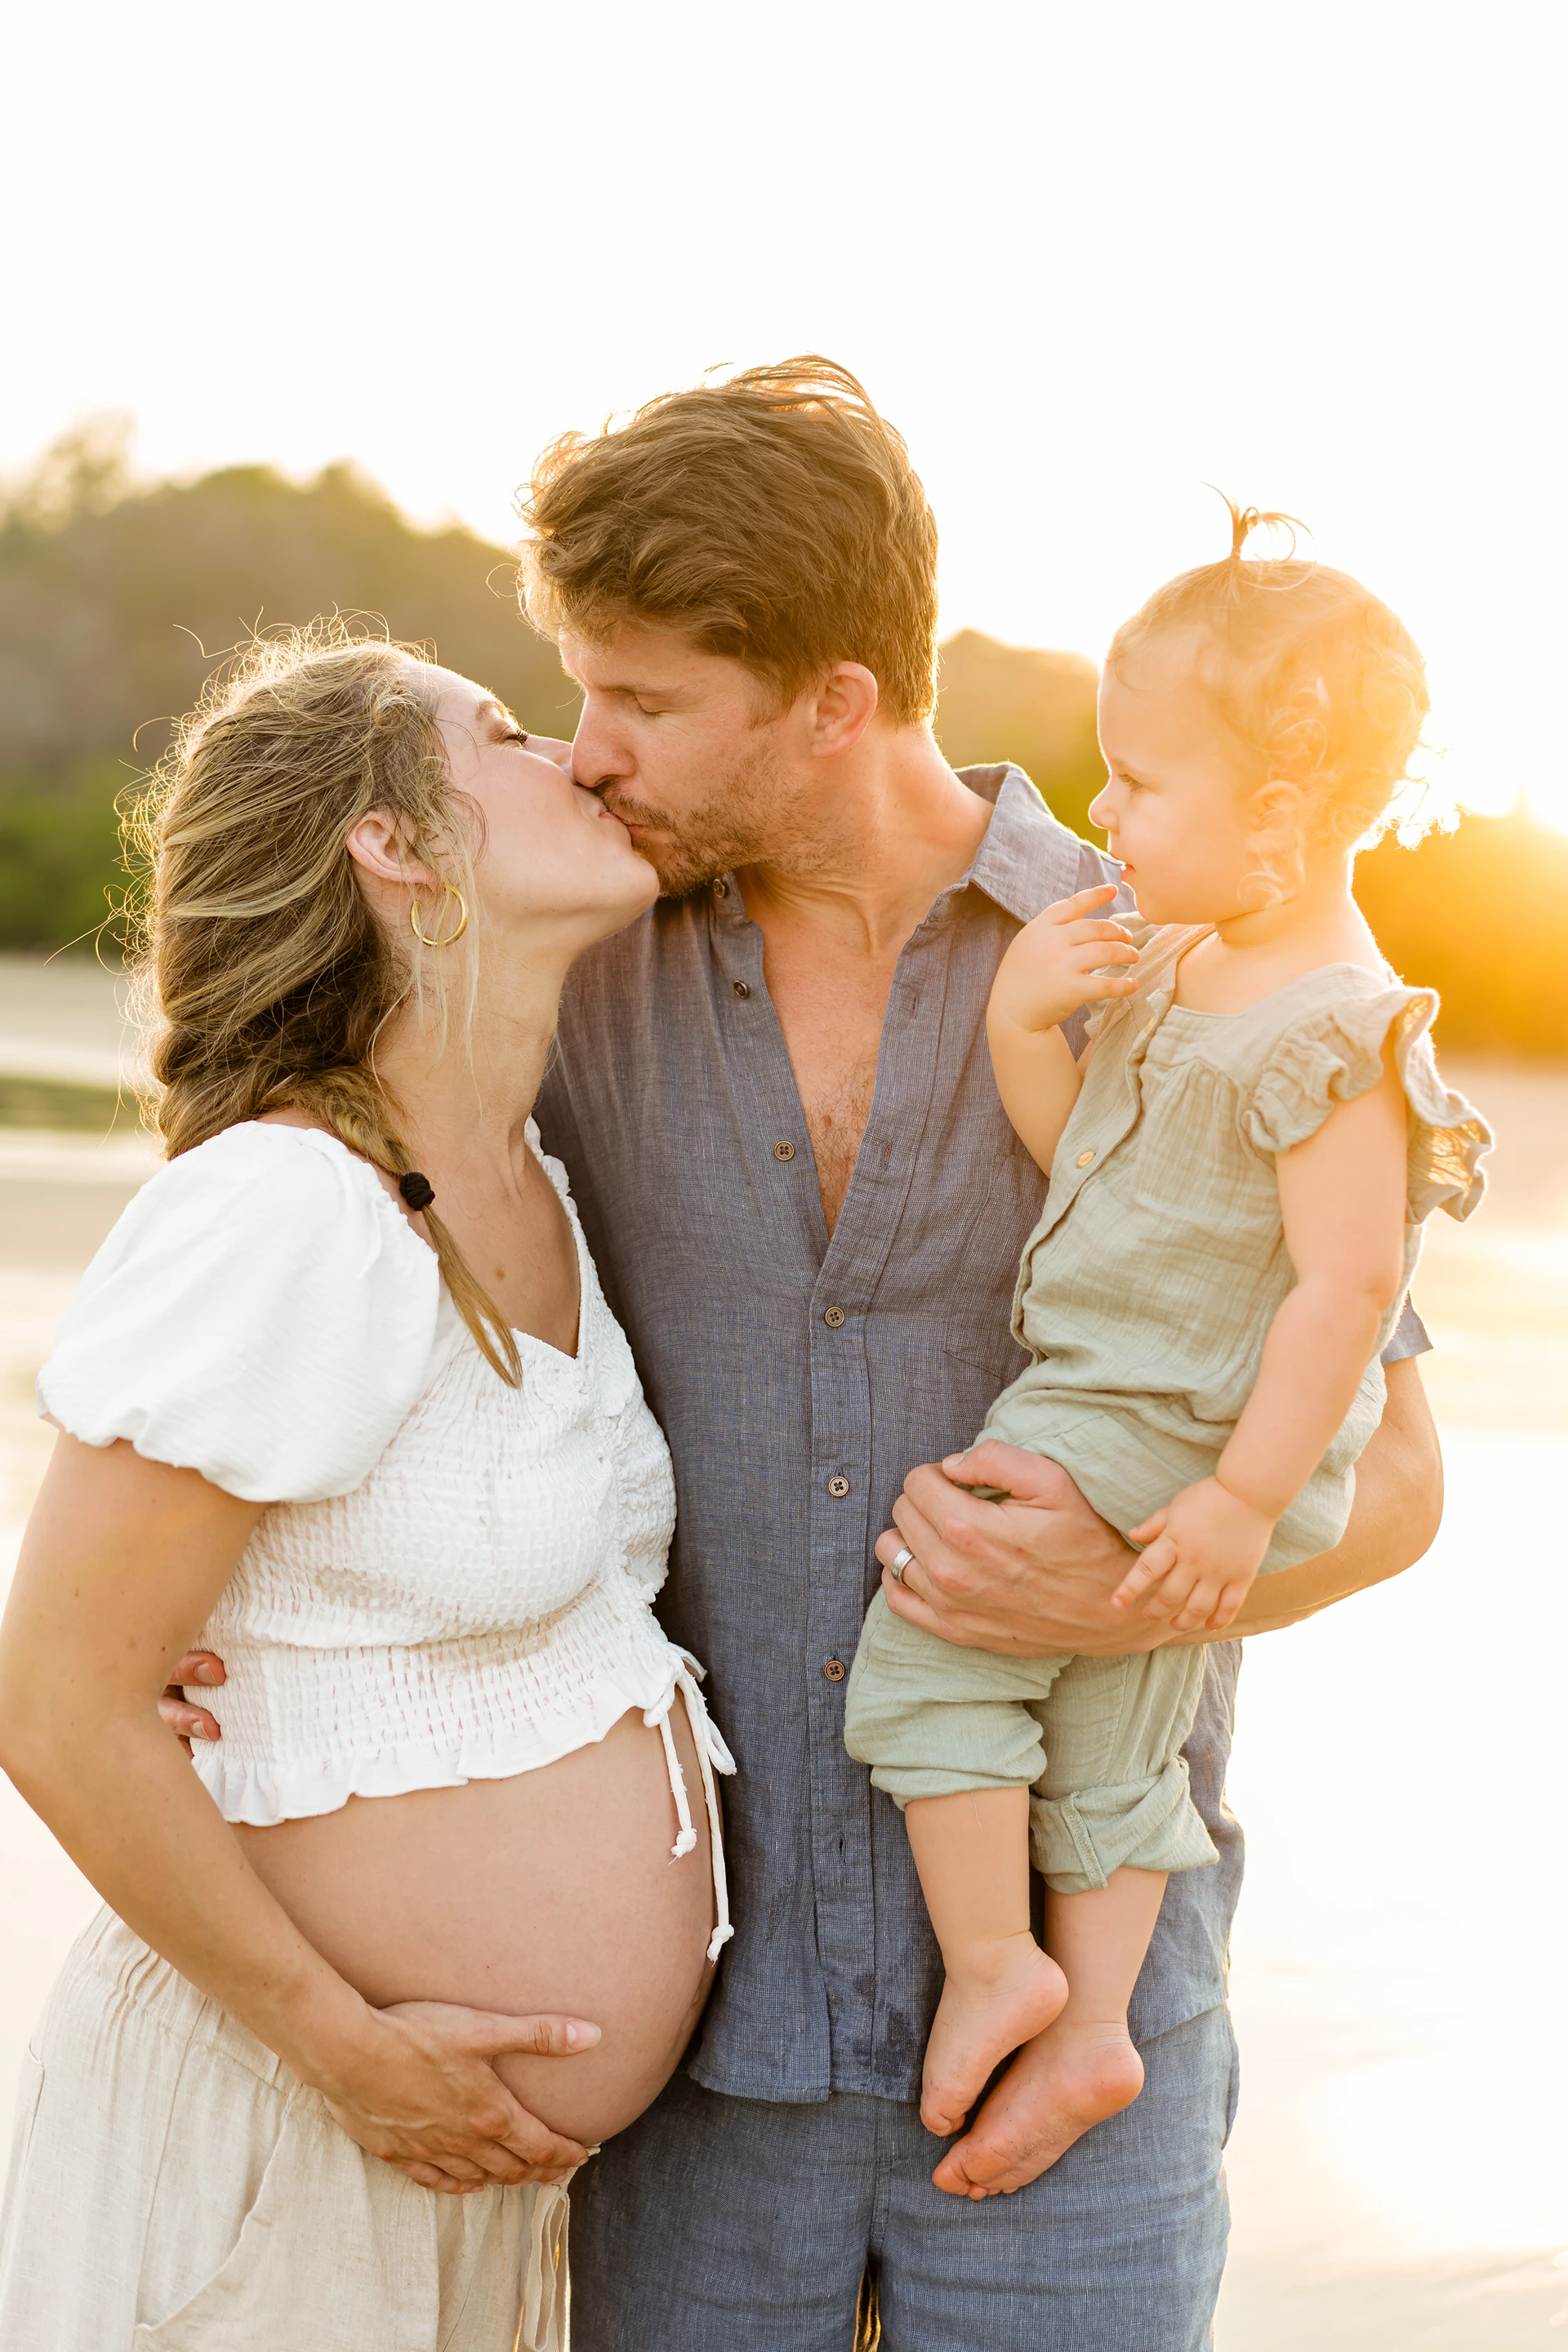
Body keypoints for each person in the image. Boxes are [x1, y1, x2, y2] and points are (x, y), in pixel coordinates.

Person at [163, 362, 1443, 2351]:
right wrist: (208, 1614)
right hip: (689, 2068)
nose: (589, 760)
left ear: (836, 702)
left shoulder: (1187, 972)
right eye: (576, 696)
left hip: (1086, 2048)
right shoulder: (568, 976)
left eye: (648, 704)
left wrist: (1117, 1600)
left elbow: (1404, 1480)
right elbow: (323, 1247)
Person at [0, 632, 734, 2351]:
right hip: (282, 2136)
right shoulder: (287, 1205)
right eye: (502, 731)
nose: (575, 750)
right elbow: (52, 1698)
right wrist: (348, 2050)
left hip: (451, 2180)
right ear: (394, 847)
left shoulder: (535, 1180)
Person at [841, 506, 1490, 2197]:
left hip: (1178, 1435)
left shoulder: (1336, 1033)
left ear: (1275, 816)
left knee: (929, 1653)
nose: (1103, 813)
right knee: (1121, 1752)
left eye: (1138, 783)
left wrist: (1235, 1501)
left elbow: (1344, 1293)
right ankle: (1093, 2032)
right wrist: (1018, 1026)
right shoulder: (1190, 968)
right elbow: (1096, 1168)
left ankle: (1000, 1965)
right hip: (1143, 1425)